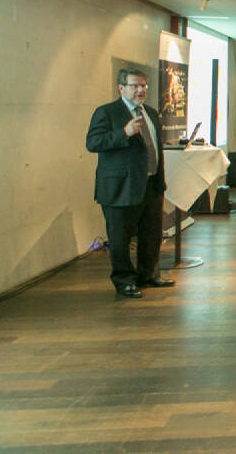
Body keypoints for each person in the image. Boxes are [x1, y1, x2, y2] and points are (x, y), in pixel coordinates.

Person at [85, 68, 173, 298]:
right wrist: (123, 133)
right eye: (135, 86)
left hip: (151, 185)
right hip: (120, 188)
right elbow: (93, 142)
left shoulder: (151, 113)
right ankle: (124, 281)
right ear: (121, 88)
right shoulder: (107, 112)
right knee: (120, 238)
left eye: (143, 85)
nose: (140, 90)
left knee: (151, 234)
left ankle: (148, 275)